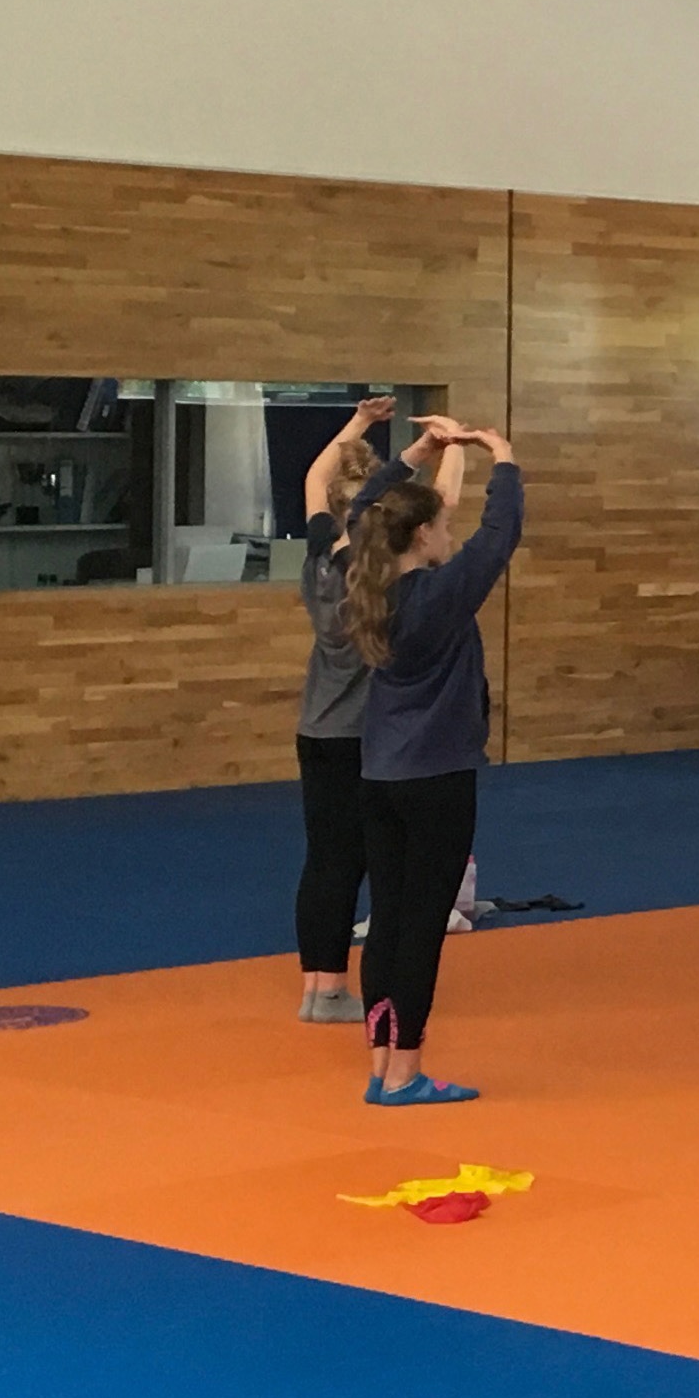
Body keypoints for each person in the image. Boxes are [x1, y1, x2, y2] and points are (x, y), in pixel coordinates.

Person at [343, 419, 523, 1105]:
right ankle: (406, 1069)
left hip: (381, 775)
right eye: (440, 529)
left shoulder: (365, 585)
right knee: (421, 926)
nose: (449, 537)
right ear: (421, 538)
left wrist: (417, 456)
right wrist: (501, 458)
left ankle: (381, 1060)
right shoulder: (438, 599)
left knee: (388, 918)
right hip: (437, 778)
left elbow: (364, 511)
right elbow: (498, 537)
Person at [292, 398, 404, 1025]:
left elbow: (313, 477)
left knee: (323, 859)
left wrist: (358, 425)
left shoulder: (316, 562)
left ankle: (318, 985)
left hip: (316, 730)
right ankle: (335, 991)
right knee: (358, 862)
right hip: (362, 736)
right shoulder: (377, 581)